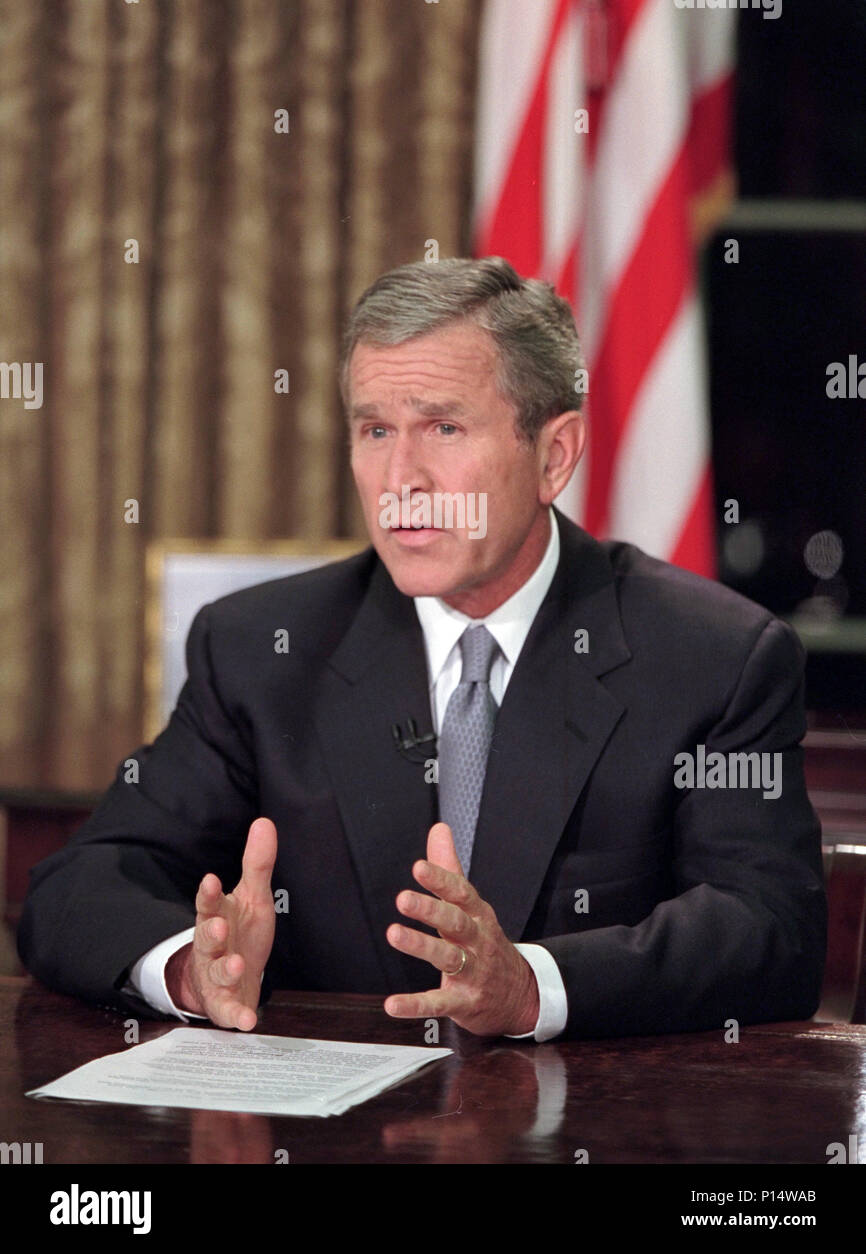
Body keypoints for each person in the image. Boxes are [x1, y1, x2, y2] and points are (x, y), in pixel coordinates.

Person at [17, 256, 827, 1041]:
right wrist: (192, 968)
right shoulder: (261, 652)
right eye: (375, 430)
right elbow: (77, 887)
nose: (401, 478)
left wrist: (533, 987)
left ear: (553, 456)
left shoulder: (713, 659)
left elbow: (770, 929)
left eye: (443, 426)